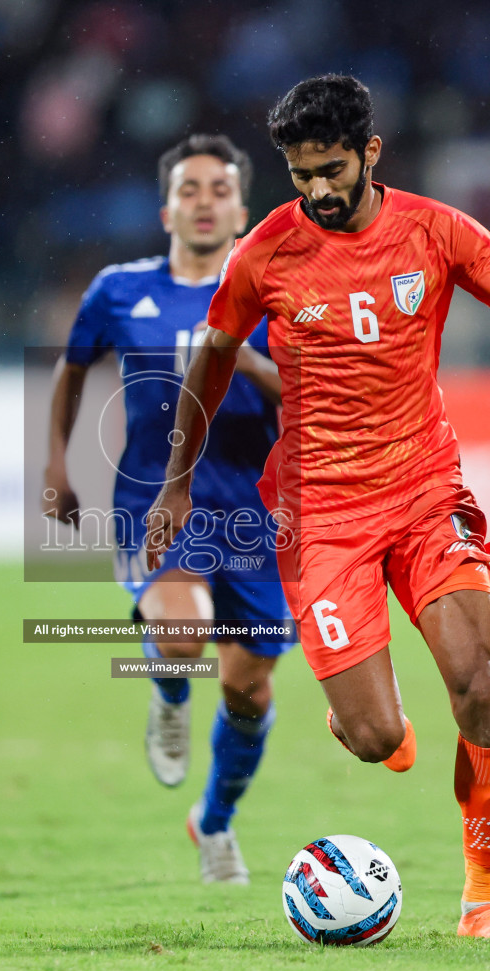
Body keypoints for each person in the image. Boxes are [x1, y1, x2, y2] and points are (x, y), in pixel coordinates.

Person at [145, 76, 490, 937]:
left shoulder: (437, 230)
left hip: (424, 491)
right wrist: (178, 480)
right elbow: (214, 361)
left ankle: (483, 901)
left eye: (332, 168)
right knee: (379, 740)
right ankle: (371, 721)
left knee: (479, 687)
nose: (318, 190)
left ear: (371, 153)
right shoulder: (265, 254)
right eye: (301, 174)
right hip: (321, 518)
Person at [43, 135, 296, 883]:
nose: (206, 200)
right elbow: (72, 366)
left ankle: (213, 823)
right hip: (156, 504)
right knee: (182, 636)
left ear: (243, 209)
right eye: (191, 189)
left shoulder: (279, 293)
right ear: (167, 210)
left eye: (220, 189)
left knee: (250, 689)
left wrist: (243, 360)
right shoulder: (119, 290)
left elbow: (310, 394)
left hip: (254, 512)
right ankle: (169, 692)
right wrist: (57, 462)